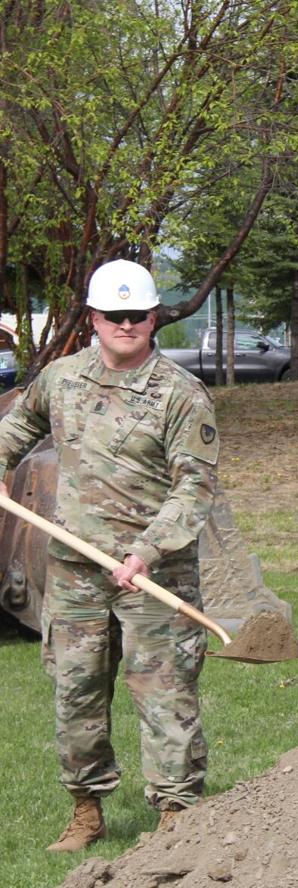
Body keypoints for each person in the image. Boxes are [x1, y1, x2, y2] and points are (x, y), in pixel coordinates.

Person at [0, 259, 219, 851]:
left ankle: (177, 815)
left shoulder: (181, 393)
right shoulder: (61, 377)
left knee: (166, 697)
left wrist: (146, 552)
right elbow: (17, 428)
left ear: (153, 318)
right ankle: (86, 808)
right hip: (74, 571)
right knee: (76, 692)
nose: (126, 324)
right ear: (93, 318)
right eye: (114, 315)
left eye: (137, 315)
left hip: (156, 574)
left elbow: (194, 486)